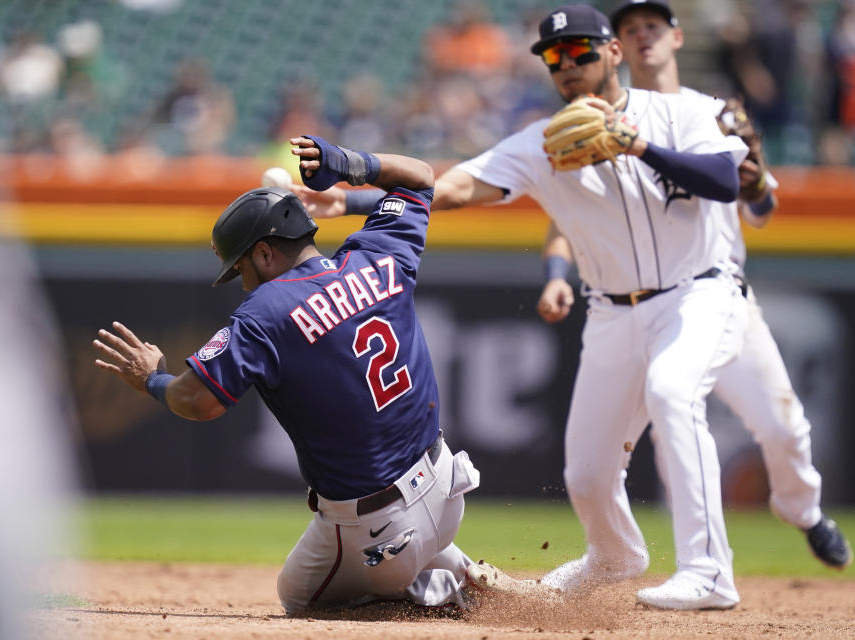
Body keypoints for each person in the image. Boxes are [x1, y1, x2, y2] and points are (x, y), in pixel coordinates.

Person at [291, 4, 751, 611]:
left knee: (673, 393)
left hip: (700, 290)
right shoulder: (543, 143)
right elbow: (453, 186)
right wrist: (350, 194)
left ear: (614, 52)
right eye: (555, 57)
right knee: (587, 474)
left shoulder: (679, 112)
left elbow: (726, 178)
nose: (569, 65)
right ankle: (614, 555)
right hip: (613, 312)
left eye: (582, 50)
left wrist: (636, 145)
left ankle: (709, 570)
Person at [92, 133, 529, 615]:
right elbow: (421, 179)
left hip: (379, 528)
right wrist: (347, 162)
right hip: (448, 487)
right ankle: (459, 566)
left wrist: (152, 377)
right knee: (395, 536)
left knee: (298, 598)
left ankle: (436, 595)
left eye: (241, 268)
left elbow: (197, 400)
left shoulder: (266, 313)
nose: (243, 282)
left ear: (263, 254)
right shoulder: (376, 253)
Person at [536, 0, 852, 579]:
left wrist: (754, 184)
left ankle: (803, 511)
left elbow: (762, 209)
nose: (643, 36)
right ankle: (645, 561)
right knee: (665, 408)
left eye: (653, 26)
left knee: (783, 428)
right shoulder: (602, 122)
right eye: (630, 29)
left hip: (719, 294)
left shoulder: (709, 114)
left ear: (677, 37)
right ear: (616, 47)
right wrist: (558, 276)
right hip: (644, 305)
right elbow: (569, 219)